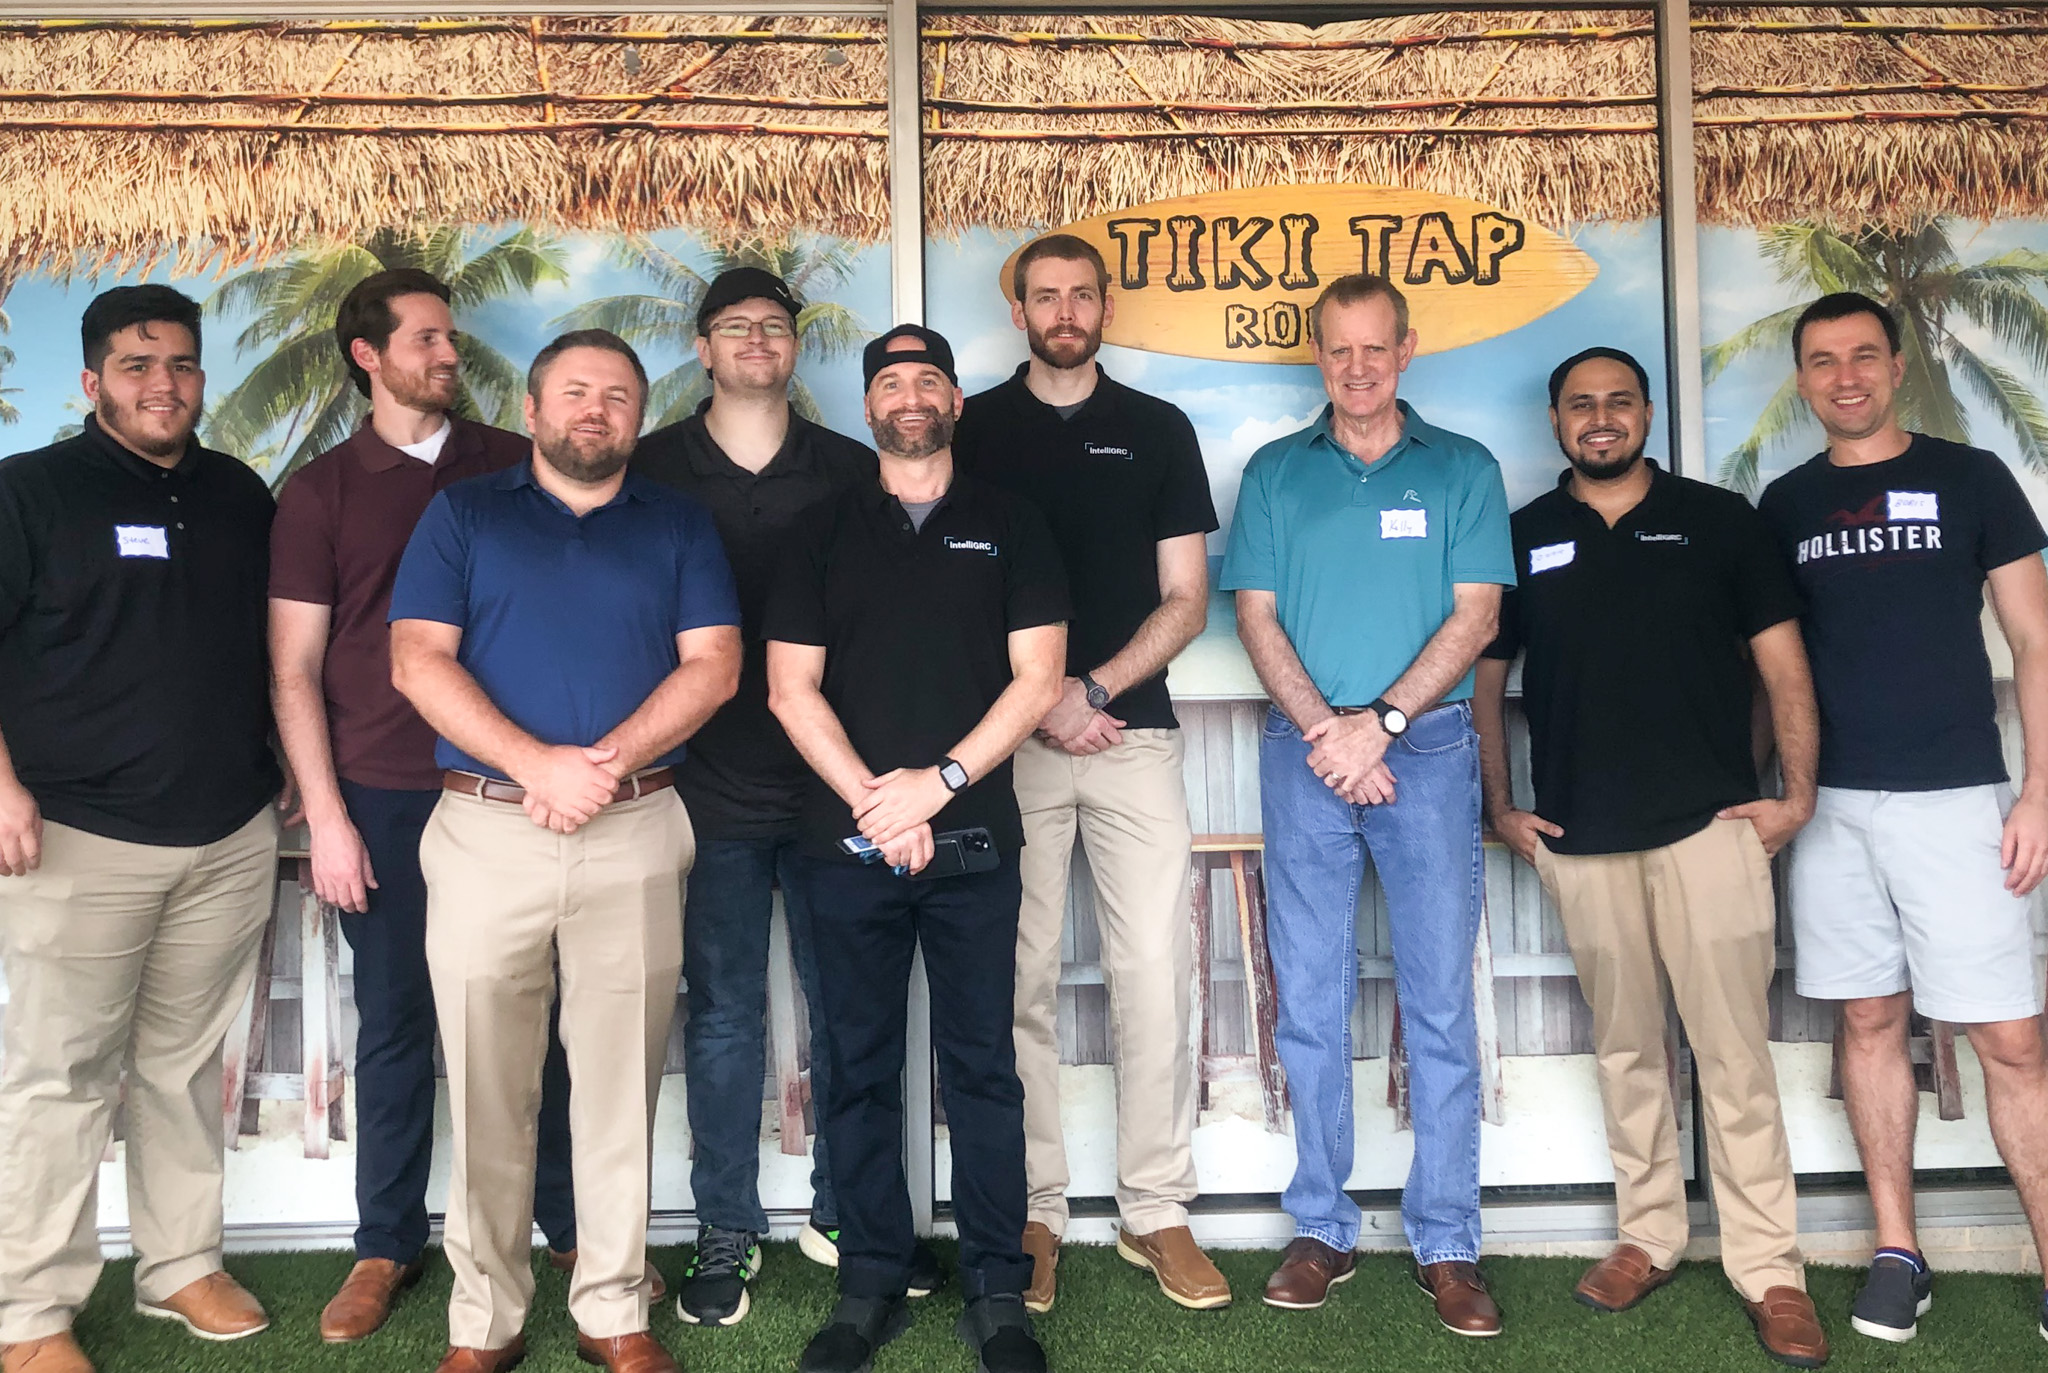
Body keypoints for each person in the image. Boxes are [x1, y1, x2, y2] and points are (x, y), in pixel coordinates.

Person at [389, 330, 741, 1373]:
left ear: (638, 417)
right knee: (488, 1086)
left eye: (618, 396)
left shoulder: (678, 522)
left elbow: (714, 665)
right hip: (487, 826)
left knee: (617, 1083)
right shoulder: (463, 513)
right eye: (575, 392)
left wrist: (601, 761)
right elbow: (417, 659)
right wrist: (537, 764)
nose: (597, 410)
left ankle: (612, 1306)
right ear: (533, 409)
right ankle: (482, 1322)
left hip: (632, 827)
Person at [1474, 346, 1829, 1368]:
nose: (1599, 419)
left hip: (1706, 830)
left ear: (1645, 414)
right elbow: (1488, 678)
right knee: (1626, 1051)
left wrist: (1788, 795)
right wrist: (1501, 803)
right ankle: (1650, 1234)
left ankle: (1767, 1267)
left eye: (1616, 402)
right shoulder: (1525, 536)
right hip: (1581, 837)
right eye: (1579, 405)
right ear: (1553, 422)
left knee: (1731, 1057)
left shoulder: (1720, 520)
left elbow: (1781, 665)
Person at [270, 268, 588, 1344]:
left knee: (538, 1018)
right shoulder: (318, 493)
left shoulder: (509, 462)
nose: (449, 354)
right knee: (398, 1020)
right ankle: (385, 1242)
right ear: (368, 354)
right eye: (426, 339)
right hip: (386, 795)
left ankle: (569, 1226)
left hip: (512, 790)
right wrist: (327, 814)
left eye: (452, 338)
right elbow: (293, 669)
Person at [766, 325, 1068, 1373]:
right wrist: (874, 805)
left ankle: (994, 1283)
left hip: (975, 835)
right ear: (866, 407)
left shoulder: (1012, 522)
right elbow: (787, 687)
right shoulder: (817, 527)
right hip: (843, 841)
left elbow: (1035, 680)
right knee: (856, 1063)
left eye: (926, 378)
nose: (908, 395)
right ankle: (870, 1279)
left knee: (981, 1063)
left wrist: (935, 787)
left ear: (952, 401)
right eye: (889, 380)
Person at [1220, 273, 1514, 1336]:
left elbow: (1475, 614)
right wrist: (1328, 734)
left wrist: (1378, 724)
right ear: (1316, 354)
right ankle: (1322, 1226)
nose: (1355, 368)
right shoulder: (1273, 472)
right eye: (1336, 351)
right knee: (1308, 997)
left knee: (1436, 1000)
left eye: (1372, 350)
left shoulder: (1461, 469)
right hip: (1304, 751)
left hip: (1424, 751)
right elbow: (1254, 617)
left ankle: (1447, 1241)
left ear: (1405, 350)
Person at [0, 286, 284, 1373]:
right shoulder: (28, 493)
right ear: (92, 382)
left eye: (179, 364)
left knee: (177, 1067)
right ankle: (30, 1311)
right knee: (59, 1077)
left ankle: (179, 1264)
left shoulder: (236, 493)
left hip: (225, 832)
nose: (162, 385)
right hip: (74, 839)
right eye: (135, 365)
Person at [1758, 291, 2048, 1348]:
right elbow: (1766, 667)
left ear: (1894, 365)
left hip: (1958, 798)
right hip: (1830, 806)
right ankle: (1897, 1252)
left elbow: (2033, 640)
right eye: (1822, 360)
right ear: (1799, 379)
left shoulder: (1971, 478)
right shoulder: (1781, 506)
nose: (1844, 375)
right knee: (1868, 1020)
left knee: (2008, 1038)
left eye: (1862, 356)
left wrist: (2037, 792)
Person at [954, 233, 1228, 1313]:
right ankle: (1036, 1209)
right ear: (1016, 310)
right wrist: (1040, 700)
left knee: (1153, 970)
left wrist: (1094, 688)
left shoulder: (1155, 427)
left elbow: (1186, 596)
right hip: (1002, 744)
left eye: (1080, 293)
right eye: (1043, 295)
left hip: (1132, 734)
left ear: (1105, 305)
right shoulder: (972, 428)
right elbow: (952, 592)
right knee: (1011, 977)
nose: (1064, 309)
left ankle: (1155, 1208)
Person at [633, 267, 878, 1326]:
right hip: (705, 786)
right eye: (734, 327)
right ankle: (723, 1226)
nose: (755, 342)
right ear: (701, 346)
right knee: (725, 1015)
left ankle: (843, 1211)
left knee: (847, 1005)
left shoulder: (850, 470)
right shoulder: (648, 469)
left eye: (773, 327)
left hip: (834, 781)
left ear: (793, 345)